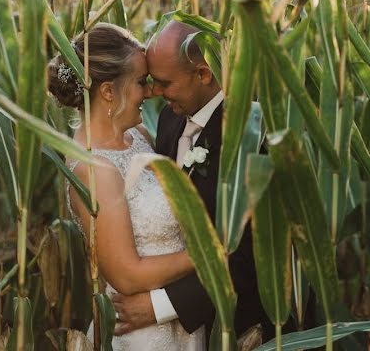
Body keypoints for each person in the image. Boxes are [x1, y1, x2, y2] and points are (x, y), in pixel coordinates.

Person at [48, 23, 205, 351]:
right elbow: (127, 275)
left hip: (180, 327)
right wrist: (209, 254)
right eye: (140, 82)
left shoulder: (139, 139)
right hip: (140, 335)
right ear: (108, 92)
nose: (149, 93)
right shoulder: (95, 169)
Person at [111, 20, 269, 342]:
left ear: (203, 74)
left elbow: (250, 255)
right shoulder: (171, 117)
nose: (154, 93)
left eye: (164, 83)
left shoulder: (251, 138)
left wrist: (157, 306)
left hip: (242, 329)